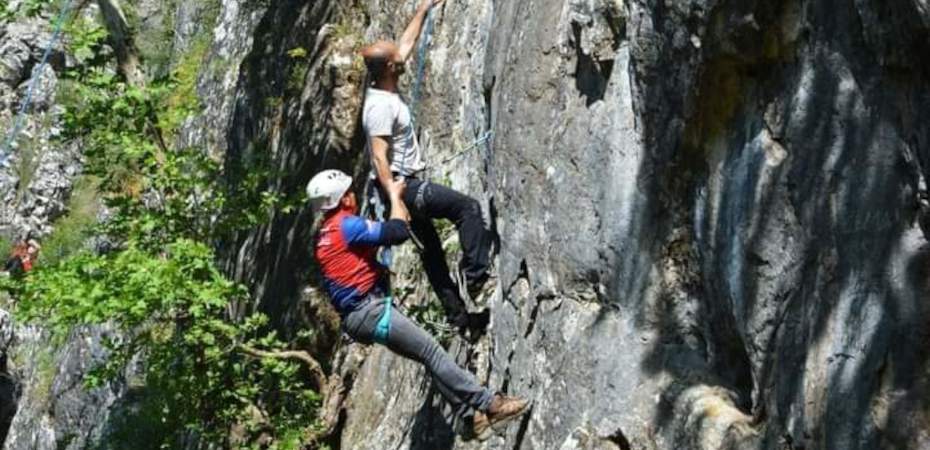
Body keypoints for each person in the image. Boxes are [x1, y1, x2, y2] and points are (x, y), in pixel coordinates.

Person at [308, 169, 526, 439]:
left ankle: (471, 419)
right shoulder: (346, 225)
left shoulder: (323, 235)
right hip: (370, 310)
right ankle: (490, 404)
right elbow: (398, 231)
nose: (354, 194)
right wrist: (396, 196)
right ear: (342, 199)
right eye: (349, 191)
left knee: (426, 357)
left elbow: (352, 260)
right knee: (432, 352)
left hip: (359, 317)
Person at [360, 0, 493, 336]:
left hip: (402, 186)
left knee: (432, 255)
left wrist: (422, 10)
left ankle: (461, 319)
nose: (402, 55)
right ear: (391, 66)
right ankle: (477, 278)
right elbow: (379, 156)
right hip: (404, 188)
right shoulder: (379, 107)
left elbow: (405, 44)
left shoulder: (384, 83)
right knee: (467, 209)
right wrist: (396, 200)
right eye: (397, 56)